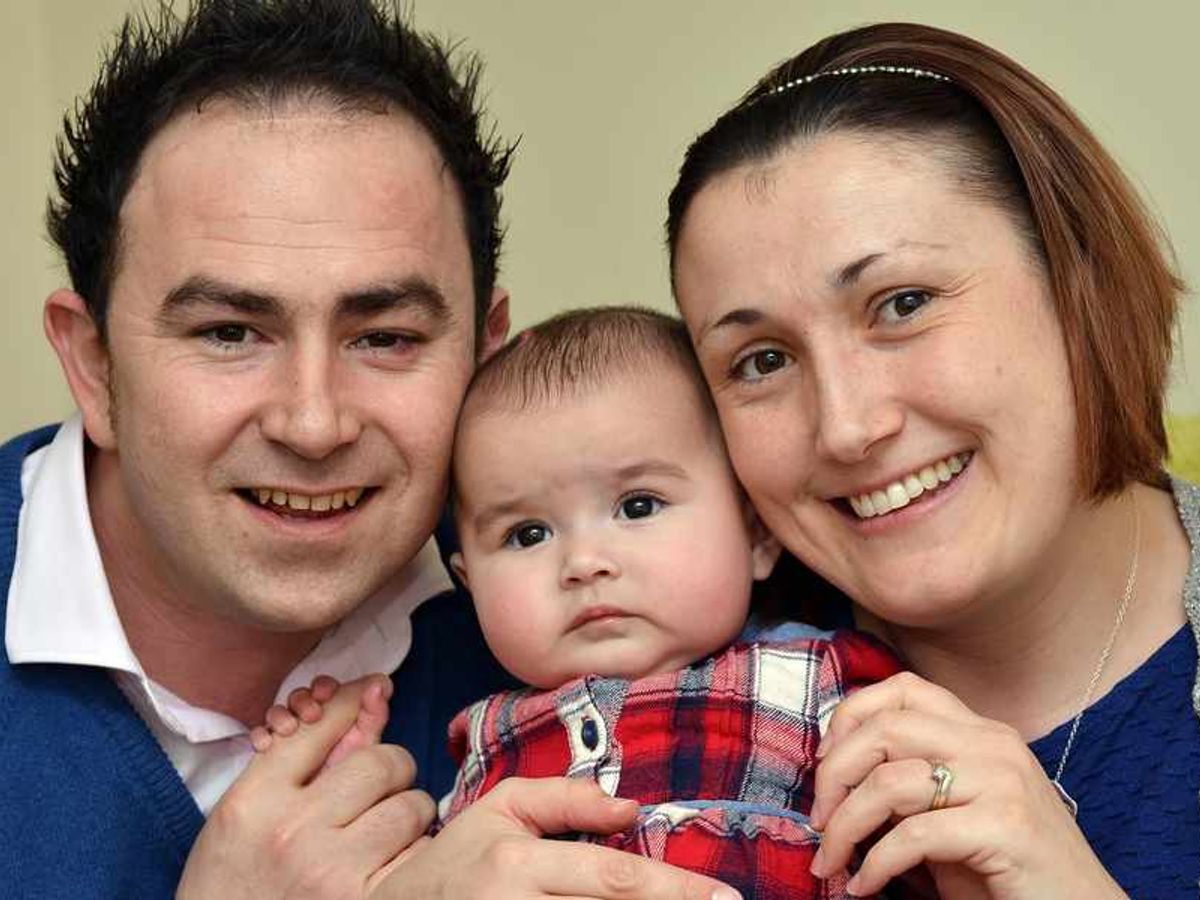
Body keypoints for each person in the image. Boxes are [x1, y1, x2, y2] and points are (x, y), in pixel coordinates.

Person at [3, 2, 738, 898]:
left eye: (386, 337)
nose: (314, 424)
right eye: (229, 332)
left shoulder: (622, 604)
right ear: (93, 365)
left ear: (482, 355)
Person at [665, 21, 1199, 900]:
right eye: (761, 361)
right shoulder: (646, 666)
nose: (846, 427)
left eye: (902, 303)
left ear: (1081, 283)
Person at [257, 306, 905, 899]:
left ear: (756, 533)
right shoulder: (481, 737)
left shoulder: (830, 679)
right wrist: (345, 776)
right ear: (470, 584)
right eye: (528, 534)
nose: (584, 562)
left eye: (638, 506)